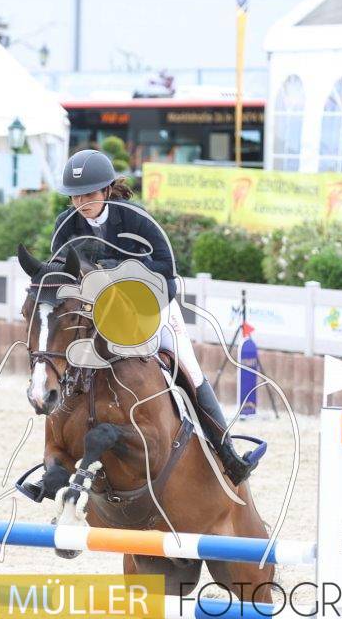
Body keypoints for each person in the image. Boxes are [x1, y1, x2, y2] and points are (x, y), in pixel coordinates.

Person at [45, 148, 259, 485]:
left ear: (106, 190)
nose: (80, 203)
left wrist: (121, 268)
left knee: (189, 368)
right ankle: (56, 458)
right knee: (60, 362)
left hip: (149, 305)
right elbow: (60, 271)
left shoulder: (135, 219)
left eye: (88, 194)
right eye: (75, 196)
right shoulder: (66, 224)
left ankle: (227, 453)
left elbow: (166, 270)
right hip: (96, 313)